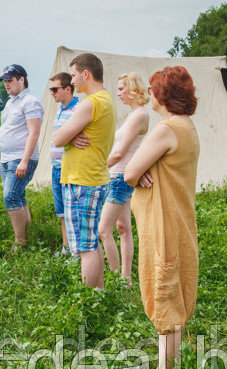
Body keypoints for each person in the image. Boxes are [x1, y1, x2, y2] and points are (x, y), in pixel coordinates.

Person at [124, 66, 200, 369]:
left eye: (154, 89)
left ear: (164, 95)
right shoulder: (187, 126)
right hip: (179, 220)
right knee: (175, 296)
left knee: (165, 298)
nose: (150, 93)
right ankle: (169, 366)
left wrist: (137, 172)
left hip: (163, 224)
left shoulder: (166, 129)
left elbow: (129, 172)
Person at [53, 53, 117, 289]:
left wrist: (67, 138)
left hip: (82, 180)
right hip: (94, 177)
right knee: (91, 242)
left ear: (85, 74)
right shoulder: (106, 100)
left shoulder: (90, 102)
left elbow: (58, 137)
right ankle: (99, 292)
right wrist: (71, 139)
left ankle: (87, 303)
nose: (72, 81)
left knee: (84, 247)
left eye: (73, 75)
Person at [98, 72, 149, 283]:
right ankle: (126, 279)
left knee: (103, 230)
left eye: (121, 88)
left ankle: (115, 278)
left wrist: (99, 166)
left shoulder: (139, 115)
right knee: (123, 228)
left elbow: (120, 152)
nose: (118, 93)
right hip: (121, 176)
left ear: (133, 89)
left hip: (119, 177)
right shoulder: (132, 115)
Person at [0, 64, 44, 251]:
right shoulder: (10, 102)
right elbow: (6, 131)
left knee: (10, 197)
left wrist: (24, 161)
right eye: (5, 81)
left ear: (22, 79)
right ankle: (27, 234)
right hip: (8, 158)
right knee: (19, 197)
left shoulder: (30, 101)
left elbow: (34, 133)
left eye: (10, 80)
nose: (6, 84)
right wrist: (2, 159)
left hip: (21, 157)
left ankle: (20, 241)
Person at [48, 72, 79, 257]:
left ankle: (76, 251)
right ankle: (66, 247)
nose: (52, 92)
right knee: (61, 212)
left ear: (68, 89)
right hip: (56, 166)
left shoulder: (78, 110)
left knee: (72, 210)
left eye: (55, 89)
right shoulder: (60, 109)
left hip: (69, 167)